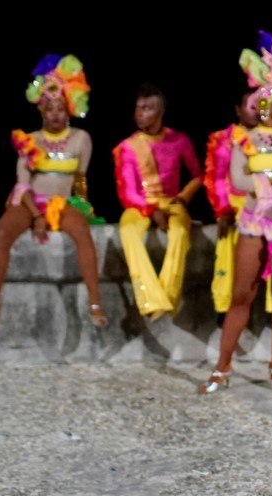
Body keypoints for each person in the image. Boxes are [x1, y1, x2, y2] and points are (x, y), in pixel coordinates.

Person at [200, 32, 272, 393]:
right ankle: (222, 367)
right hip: (253, 224)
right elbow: (236, 178)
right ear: (265, 104)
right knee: (241, 296)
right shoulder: (244, 140)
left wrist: (268, 185)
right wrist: (270, 186)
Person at [0, 54, 108, 333]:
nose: (56, 114)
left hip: (61, 203)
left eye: (61, 108)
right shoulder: (31, 140)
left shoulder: (81, 139)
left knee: (82, 232)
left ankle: (95, 302)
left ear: (70, 108)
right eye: (50, 109)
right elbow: (22, 184)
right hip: (30, 202)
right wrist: (36, 215)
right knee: (3, 233)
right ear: (41, 111)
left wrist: (83, 206)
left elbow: (80, 179)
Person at [114, 84, 203, 320]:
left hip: (171, 201)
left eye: (147, 108)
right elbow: (127, 191)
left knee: (181, 232)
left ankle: (166, 295)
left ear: (160, 112)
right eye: (138, 108)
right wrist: (151, 209)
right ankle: (153, 298)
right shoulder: (126, 148)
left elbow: (198, 175)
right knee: (128, 230)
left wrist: (183, 197)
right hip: (139, 204)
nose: (140, 113)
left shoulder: (179, 140)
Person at [204, 88, 261, 318]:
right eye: (251, 106)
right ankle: (224, 303)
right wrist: (223, 209)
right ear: (238, 110)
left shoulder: (270, 137)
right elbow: (215, 177)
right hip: (234, 202)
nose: (256, 111)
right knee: (230, 235)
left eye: (260, 106)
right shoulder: (223, 139)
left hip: (265, 202)